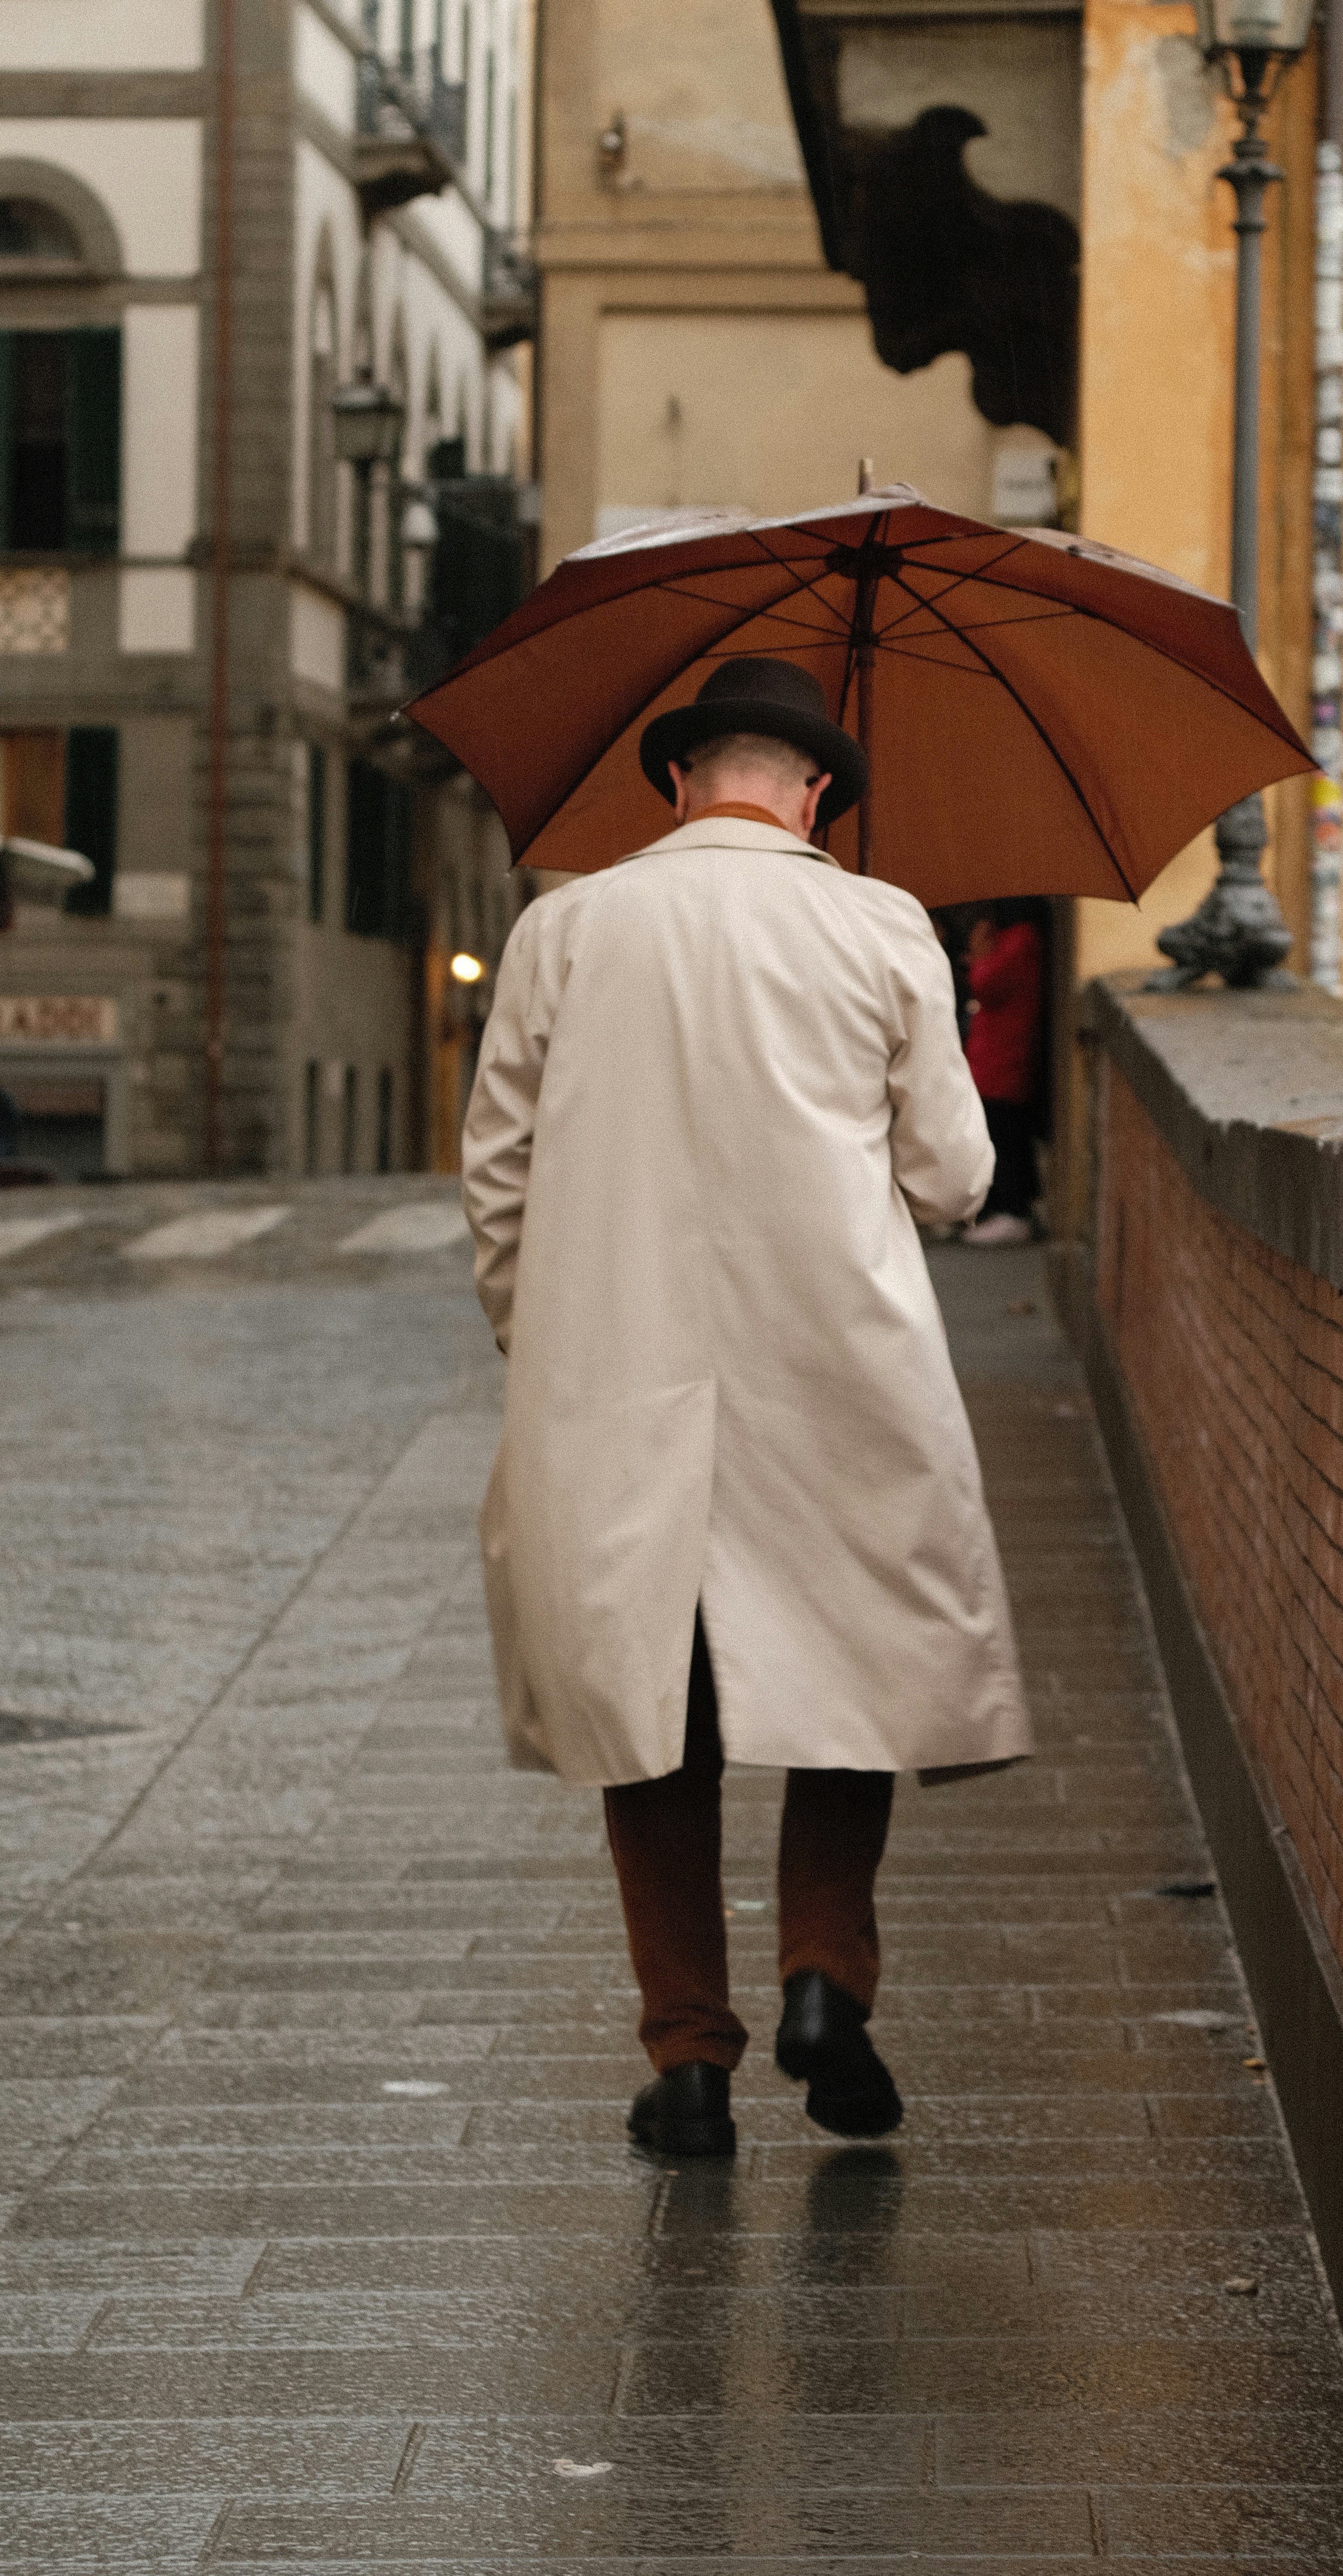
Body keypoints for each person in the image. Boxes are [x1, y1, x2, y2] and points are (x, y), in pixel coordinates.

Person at [462, 655, 1031, 2161]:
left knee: (647, 1702)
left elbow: (499, 1180)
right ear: (817, 794)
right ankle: (825, 1980)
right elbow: (957, 1179)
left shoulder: (563, 928)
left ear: (674, 783)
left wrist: (545, 1346)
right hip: (838, 1361)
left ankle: (688, 2056)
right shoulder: (878, 919)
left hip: (616, 1371)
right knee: (855, 1668)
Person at [961, 899, 1045, 1246]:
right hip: (996, 1055)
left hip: (1004, 1057)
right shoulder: (1014, 938)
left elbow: (985, 982)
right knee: (1001, 1131)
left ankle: (1015, 1212)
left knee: (1005, 1134)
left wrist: (979, 954)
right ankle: (1010, 1209)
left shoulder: (1019, 940)